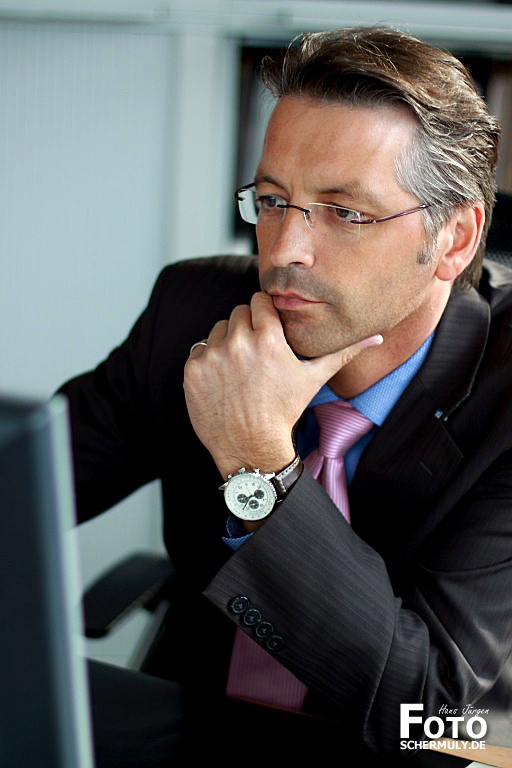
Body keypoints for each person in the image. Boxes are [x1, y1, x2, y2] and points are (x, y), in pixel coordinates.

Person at [58, 24, 512, 768]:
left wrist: (256, 462)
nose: (284, 252)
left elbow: (423, 710)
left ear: (455, 238)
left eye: (346, 212)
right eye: (273, 200)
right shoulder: (191, 313)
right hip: (199, 717)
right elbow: (29, 485)